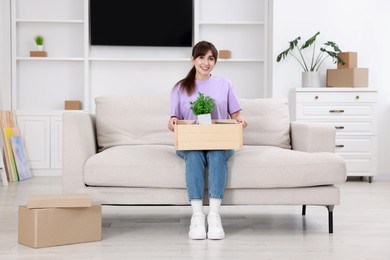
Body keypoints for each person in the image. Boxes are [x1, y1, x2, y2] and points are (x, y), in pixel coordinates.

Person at [168, 41, 247, 240]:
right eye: (202, 57)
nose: (206, 62)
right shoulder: (180, 87)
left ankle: (214, 216)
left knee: (216, 153)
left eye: (211, 58)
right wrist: (173, 122)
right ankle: (196, 216)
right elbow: (172, 119)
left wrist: (240, 120)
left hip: (220, 140)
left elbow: (235, 114)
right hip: (189, 141)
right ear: (193, 59)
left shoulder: (225, 84)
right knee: (194, 155)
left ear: (215, 62)